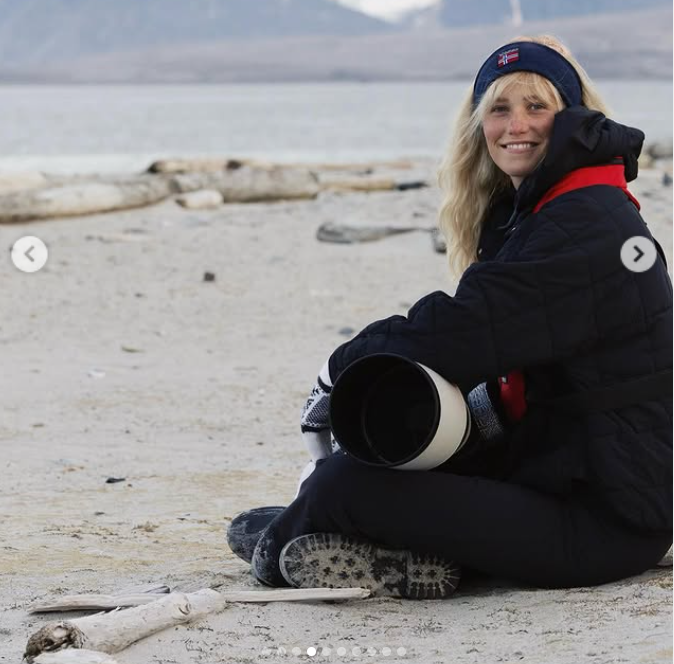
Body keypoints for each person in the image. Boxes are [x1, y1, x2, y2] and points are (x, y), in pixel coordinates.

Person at [227, 36, 672, 599]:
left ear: (571, 117)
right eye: (500, 109)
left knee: (343, 485)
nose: (518, 125)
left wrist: (339, 368)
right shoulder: (559, 207)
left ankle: (307, 531)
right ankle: (359, 531)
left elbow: (466, 329)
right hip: (566, 471)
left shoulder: (586, 225)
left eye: (538, 106)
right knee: (398, 452)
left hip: (606, 522)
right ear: (478, 123)